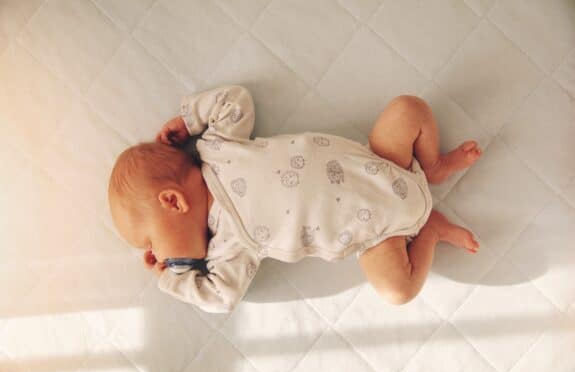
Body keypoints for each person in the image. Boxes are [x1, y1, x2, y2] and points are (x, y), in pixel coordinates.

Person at [108, 84, 481, 313]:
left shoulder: (217, 148)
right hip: (378, 235)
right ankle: (429, 233)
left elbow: (235, 100)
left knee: (408, 109)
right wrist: (174, 280)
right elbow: (221, 298)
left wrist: (189, 121)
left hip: (383, 159)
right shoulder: (229, 247)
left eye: (153, 243)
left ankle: (431, 167)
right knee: (397, 289)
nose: (159, 258)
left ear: (173, 202)